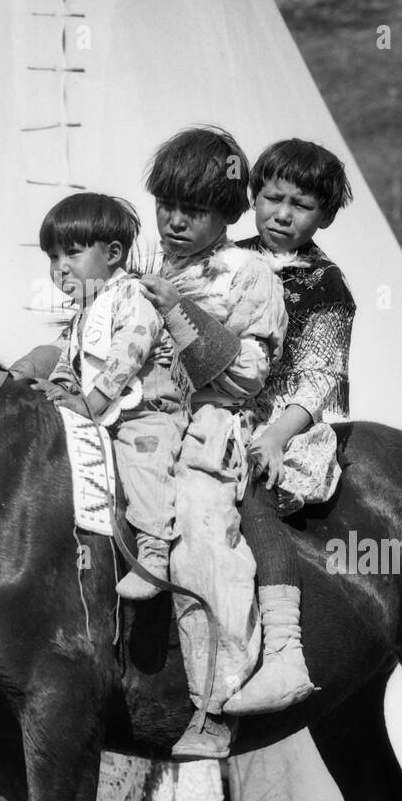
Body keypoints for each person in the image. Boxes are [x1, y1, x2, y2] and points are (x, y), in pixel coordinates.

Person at [137, 127, 287, 759]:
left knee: (200, 537)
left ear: (228, 214)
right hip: (140, 419)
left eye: (193, 211)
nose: (174, 221)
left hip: (211, 428)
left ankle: (217, 703)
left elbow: (248, 376)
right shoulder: (146, 265)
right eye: (166, 205)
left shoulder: (249, 275)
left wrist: (177, 311)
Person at [221, 138, 355, 713]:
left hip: (281, 423)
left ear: (324, 215)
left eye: (299, 205)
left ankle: (284, 651)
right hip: (212, 405)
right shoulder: (224, 257)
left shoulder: (325, 286)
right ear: (253, 197)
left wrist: (276, 434)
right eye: (272, 198)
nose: (282, 213)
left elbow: (319, 376)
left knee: (247, 495)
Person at [24, 192, 190, 598]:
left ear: (113, 252)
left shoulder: (134, 295)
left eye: (72, 254)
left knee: (142, 465)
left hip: (147, 415)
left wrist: (89, 403)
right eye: (52, 257)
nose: (60, 268)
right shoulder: (84, 312)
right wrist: (58, 388)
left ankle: (153, 552)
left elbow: (127, 356)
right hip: (102, 416)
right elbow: (72, 362)